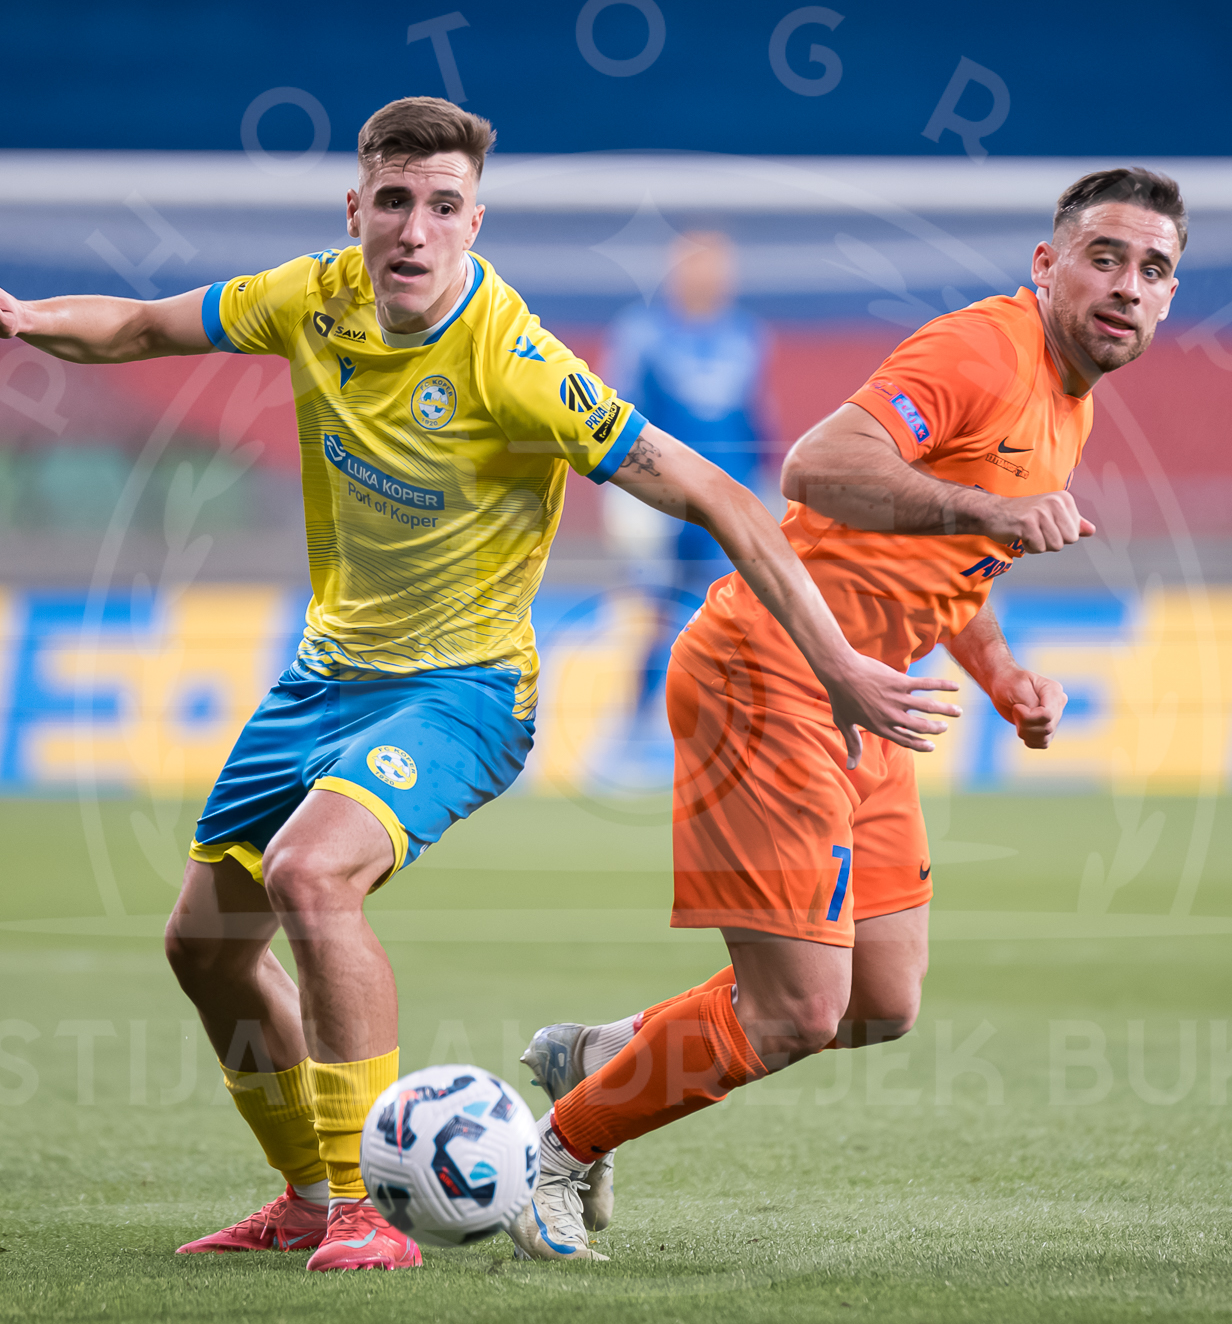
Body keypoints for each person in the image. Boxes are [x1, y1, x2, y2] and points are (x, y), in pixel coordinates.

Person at [0, 97, 955, 1272]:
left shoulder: (516, 363)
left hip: (463, 692)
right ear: (355, 209)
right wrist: (26, 318)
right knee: (203, 949)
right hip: (321, 680)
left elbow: (716, 492)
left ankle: (365, 1208)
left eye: (442, 206)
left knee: (312, 875)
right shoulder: (311, 297)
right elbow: (144, 326)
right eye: (394, 201)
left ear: (474, 222)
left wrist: (835, 661)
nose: (414, 228)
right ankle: (306, 1197)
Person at [509, 167, 1189, 1262]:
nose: (1127, 286)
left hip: (869, 695)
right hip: (768, 673)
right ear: (1046, 264)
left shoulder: (1070, 401)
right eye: (1103, 258)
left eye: (1153, 269)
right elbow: (817, 467)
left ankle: (603, 1056)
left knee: (879, 997)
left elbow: (947, 560)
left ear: (1168, 296)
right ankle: (552, 1149)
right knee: (795, 1011)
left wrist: (1003, 675)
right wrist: (989, 508)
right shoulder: (984, 350)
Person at [600, 231, 767, 752]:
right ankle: (637, 728)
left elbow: (753, 418)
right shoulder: (643, 334)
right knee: (661, 613)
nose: (710, 277)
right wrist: (621, 494)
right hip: (664, 500)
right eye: (697, 265)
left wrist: (765, 485)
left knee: (735, 614)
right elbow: (613, 413)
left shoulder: (745, 335)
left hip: (730, 498)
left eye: (718, 266)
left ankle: (729, 732)